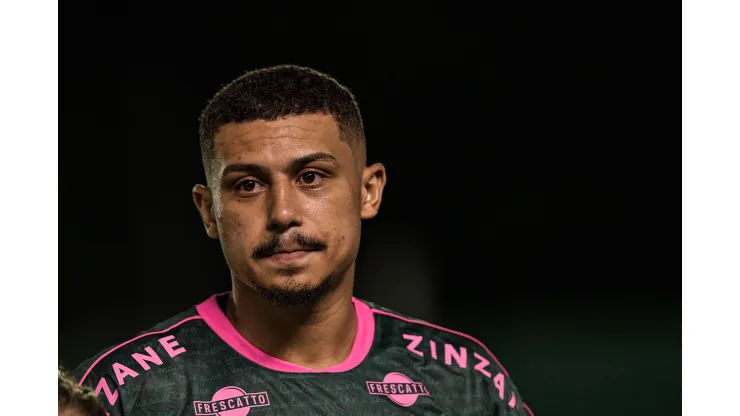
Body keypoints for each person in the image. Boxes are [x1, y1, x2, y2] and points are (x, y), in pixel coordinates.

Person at [75, 65, 534, 415]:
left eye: (311, 177)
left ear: (368, 191)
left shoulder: (464, 379)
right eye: (247, 185)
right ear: (207, 211)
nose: (282, 214)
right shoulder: (121, 392)